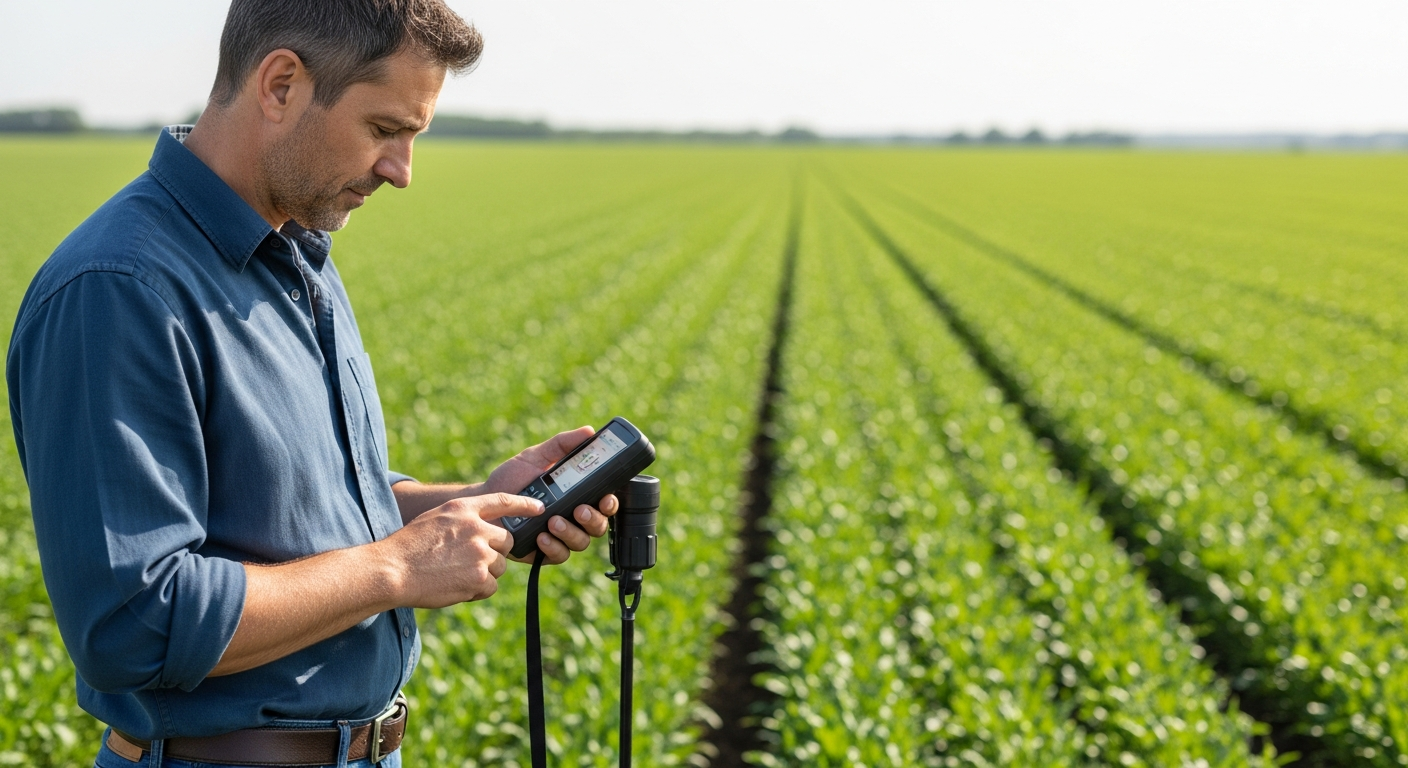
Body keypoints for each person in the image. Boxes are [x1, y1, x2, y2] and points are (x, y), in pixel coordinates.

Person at [5, 2, 618, 766]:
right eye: (386, 129)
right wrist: (399, 566)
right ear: (282, 84)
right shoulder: (119, 289)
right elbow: (136, 623)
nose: (401, 170)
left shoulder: (292, 253)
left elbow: (300, 509)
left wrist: (464, 507)